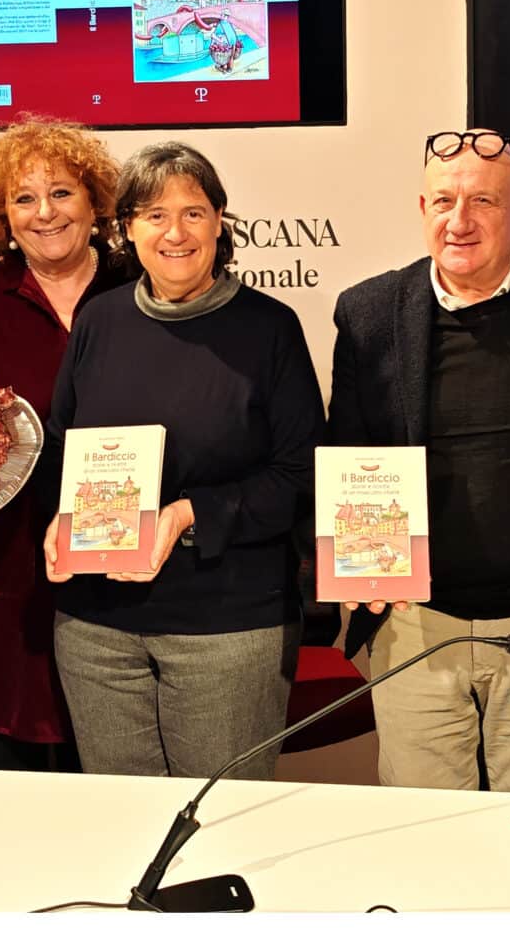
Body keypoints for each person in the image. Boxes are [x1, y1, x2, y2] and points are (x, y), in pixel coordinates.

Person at [40, 141, 322, 779]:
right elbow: (61, 444)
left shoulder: (269, 328)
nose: (175, 233)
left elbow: (299, 476)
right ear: (127, 227)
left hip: (226, 628)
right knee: (123, 821)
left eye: (193, 213)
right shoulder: (99, 320)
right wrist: (61, 518)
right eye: (155, 215)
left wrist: (188, 513)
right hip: (96, 630)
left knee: (221, 820)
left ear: (219, 221)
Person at [326, 130, 510, 793]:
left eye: (484, 201)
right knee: (424, 828)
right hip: (414, 624)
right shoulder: (368, 313)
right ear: (422, 208)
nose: (459, 221)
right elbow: (347, 455)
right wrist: (352, 563)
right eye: (443, 200)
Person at [0, 115, 121, 772]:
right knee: (1, 786)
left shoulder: (139, 290)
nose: (45, 213)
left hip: (122, 574)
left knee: (111, 774)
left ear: (95, 202)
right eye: (25, 198)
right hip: (2, 575)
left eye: (62, 192)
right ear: (3, 215)